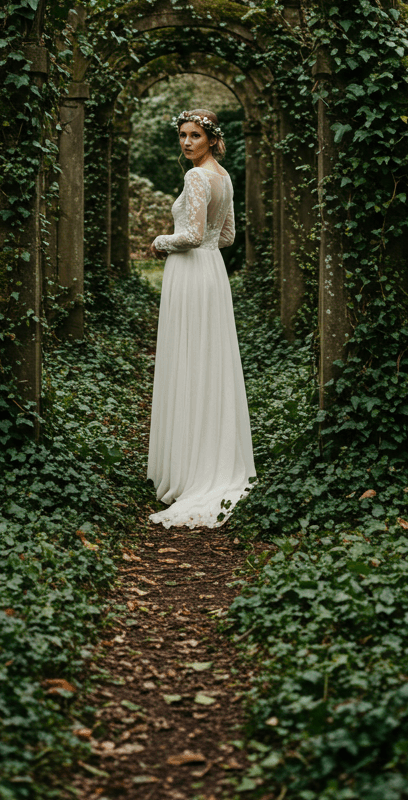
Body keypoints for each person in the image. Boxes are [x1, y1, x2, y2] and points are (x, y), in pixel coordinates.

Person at [146, 108, 256, 528]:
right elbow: (224, 237)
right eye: (182, 135)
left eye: (194, 135)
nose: (186, 142)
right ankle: (209, 459)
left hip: (191, 274)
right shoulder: (224, 177)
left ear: (211, 138)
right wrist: (199, 239)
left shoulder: (196, 178)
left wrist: (159, 239)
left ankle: (191, 471)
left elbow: (191, 237)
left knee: (191, 362)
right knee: (209, 363)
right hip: (213, 274)